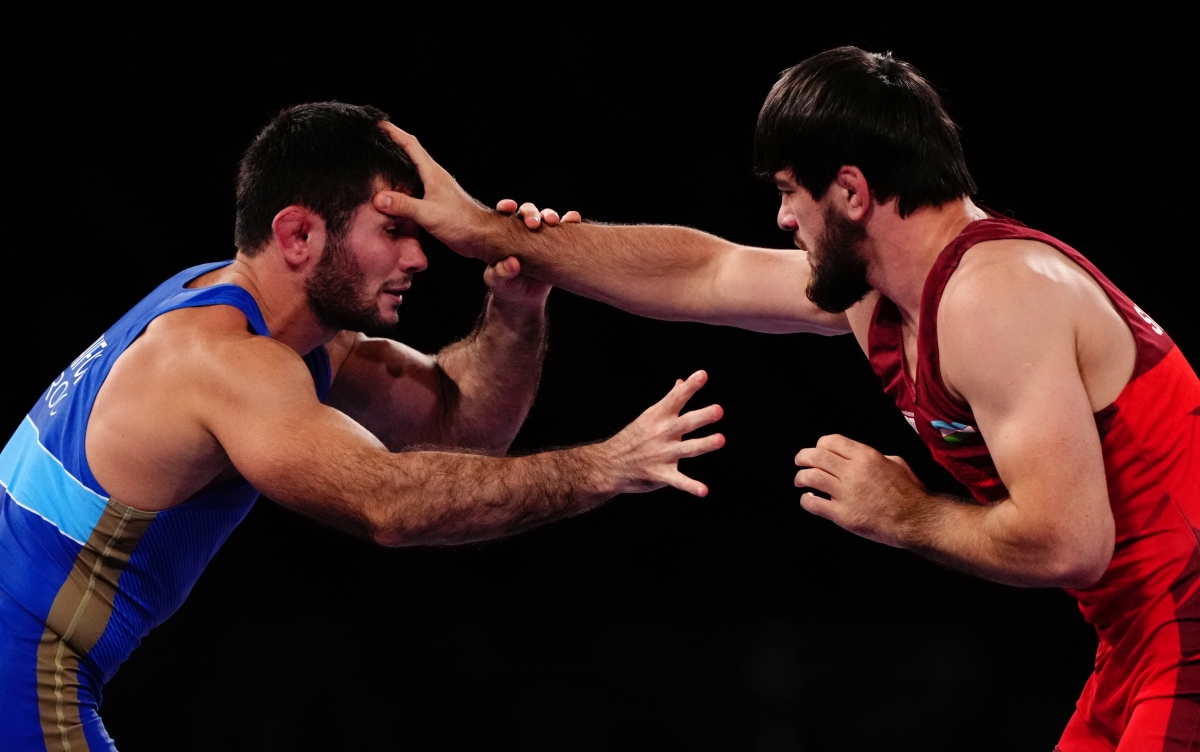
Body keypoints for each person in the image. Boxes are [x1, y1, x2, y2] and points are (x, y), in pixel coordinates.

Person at [370, 47, 1200, 750]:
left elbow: (1069, 545)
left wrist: (905, 514)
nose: (781, 220)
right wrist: (485, 229)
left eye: (788, 192)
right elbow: (702, 270)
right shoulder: (886, 291)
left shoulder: (993, 296)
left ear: (851, 192)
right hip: (1137, 633)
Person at [0, 102, 725, 752]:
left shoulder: (274, 325)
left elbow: (461, 427)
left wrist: (517, 310)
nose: (419, 257)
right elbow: (393, 504)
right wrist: (602, 467)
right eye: (394, 232)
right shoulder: (221, 359)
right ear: (297, 234)